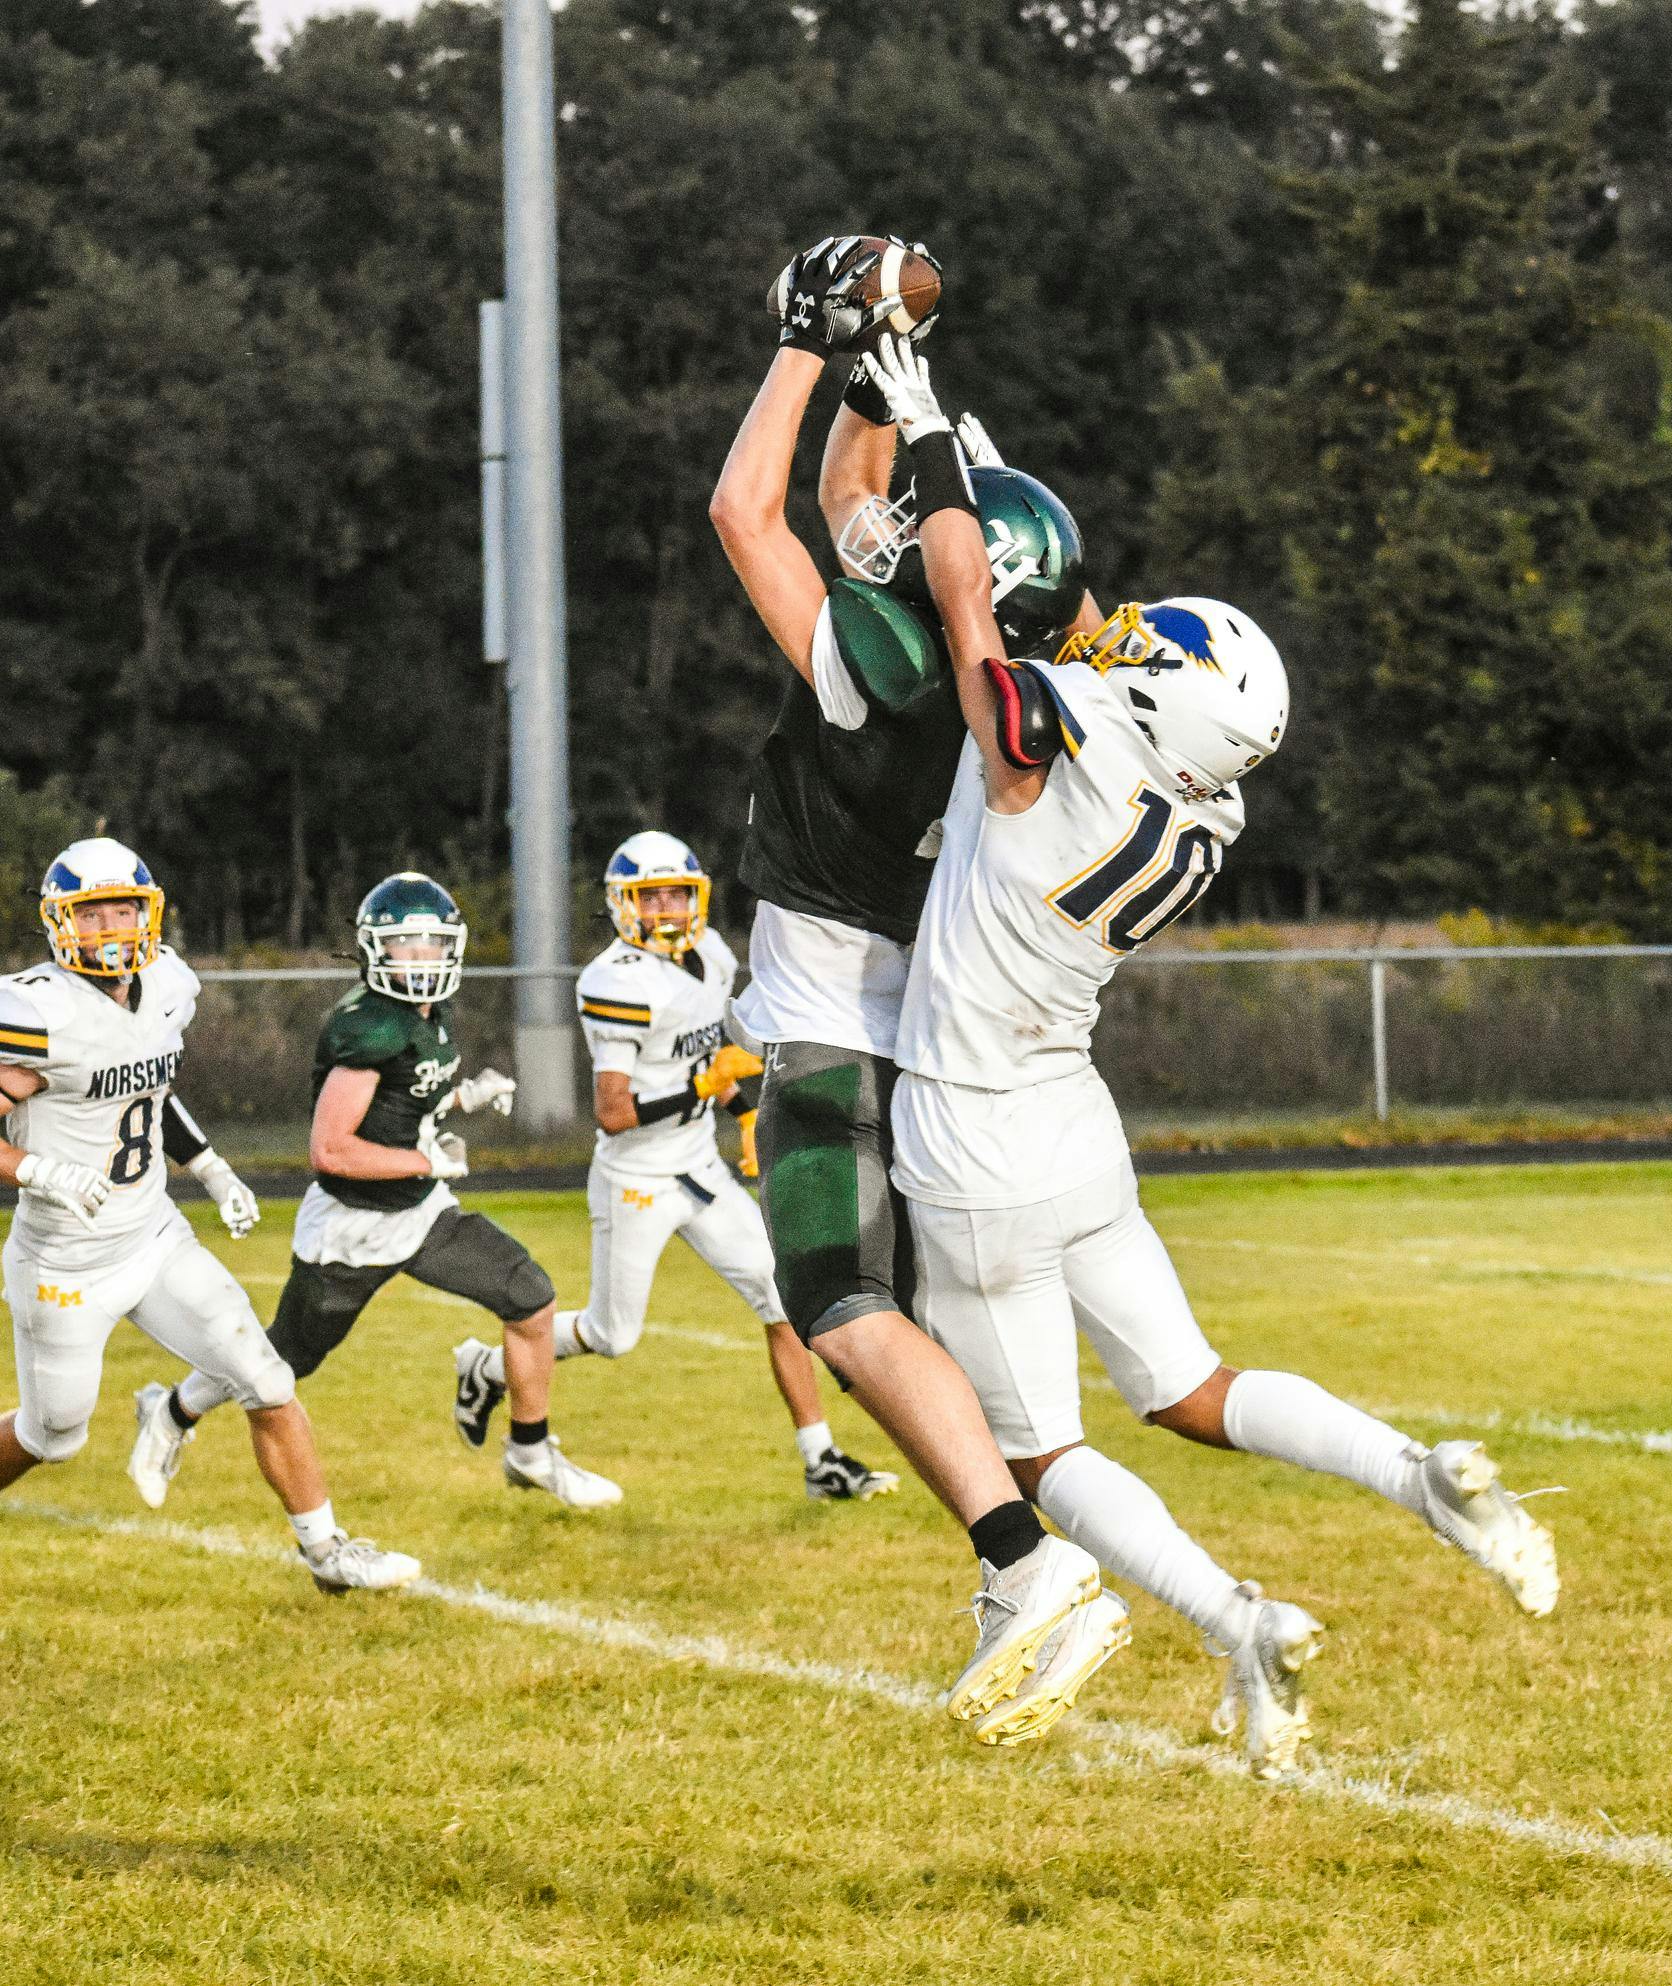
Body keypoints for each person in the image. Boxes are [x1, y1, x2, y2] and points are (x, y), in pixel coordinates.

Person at [861, 331, 1561, 1777]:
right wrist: (976, 445)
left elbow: (983, 632)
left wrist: (931, 456)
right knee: (1187, 1387)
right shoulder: (1203, 797)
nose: (1125, 633)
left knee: (1040, 1455)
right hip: (1073, 1117)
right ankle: (1419, 1477)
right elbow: (1100, 626)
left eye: (1147, 650)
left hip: (979, 1125)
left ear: (1160, 699)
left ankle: (1232, 1616)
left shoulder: (1055, 748)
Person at [708, 233, 1126, 1744]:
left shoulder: (877, 659)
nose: (884, 531)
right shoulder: (1037, 697)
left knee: (837, 1296)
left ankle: (1027, 1570)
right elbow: (856, 505)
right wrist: (896, 368)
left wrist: (813, 343)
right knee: (929, 1324)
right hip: (946, 1028)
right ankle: (1095, 1571)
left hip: (829, 1010)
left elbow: (750, 507)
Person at [1, 837, 417, 1591]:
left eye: (122, 910)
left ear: (148, 912)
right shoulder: (35, 1012)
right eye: (91, 915)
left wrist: (211, 1167)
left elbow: (147, 1091)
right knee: (52, 1433)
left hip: (152, 1235)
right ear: (61, 924)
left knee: (267, 1378)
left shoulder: (165, 983)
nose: (111, 930)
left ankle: (328, 1554)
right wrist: (38, 1168)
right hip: (65, 1262)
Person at [134, 873, 621, 1511]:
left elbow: (411, 1094)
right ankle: (170, 1409)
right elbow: (331, 1150)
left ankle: (529, 1452)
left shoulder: (429, 1014)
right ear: (373, 950)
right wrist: (425, 1158)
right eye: (403, 945)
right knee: (283, 1361)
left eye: (431, 944)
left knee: (530, 1300)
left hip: (420, 1213)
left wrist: (464, 1096)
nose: (420, 958)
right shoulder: (365, 1028)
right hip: (352, 1227)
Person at [452, 831, 898, 1502]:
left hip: (698, 1167)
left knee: (782, 1300)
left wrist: (744, 1113)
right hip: (638, 1180)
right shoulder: (615, 981)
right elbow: (612, 1112)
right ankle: (487, 1366)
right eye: (650, 896)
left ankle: (821, 1459)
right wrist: (700, 1087)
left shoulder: (712, 956)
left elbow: (712, 1050)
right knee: (613, 1334)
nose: (665, 909)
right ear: (623, 905)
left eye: (676, 894)